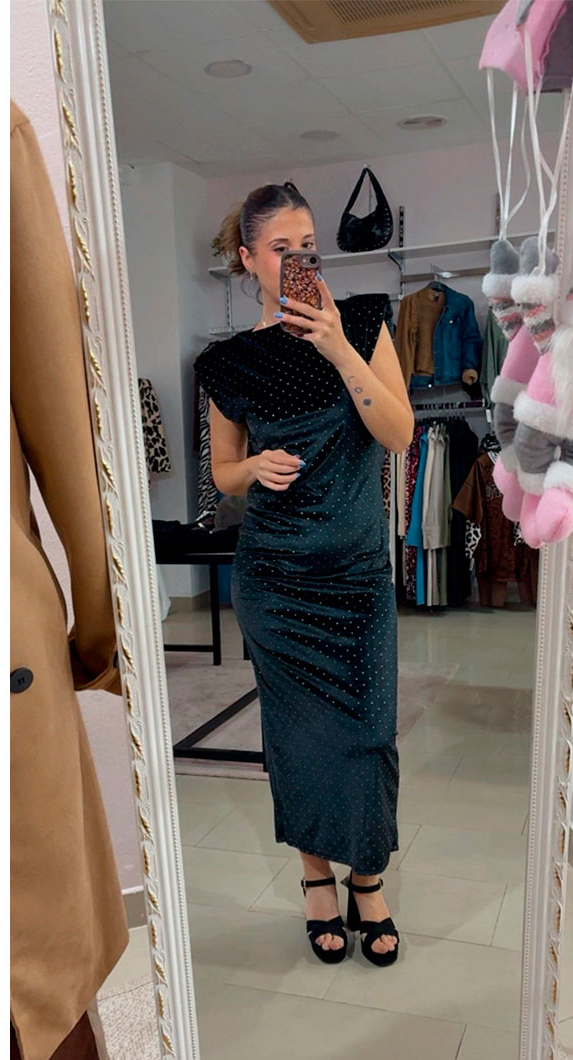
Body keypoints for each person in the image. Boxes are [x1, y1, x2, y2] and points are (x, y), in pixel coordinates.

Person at [194, 181, 414, 965]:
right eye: (280, 249)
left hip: (355, 576)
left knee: (369, 734)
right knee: (299, 739)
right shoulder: (227, 363)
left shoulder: (364, 322)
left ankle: (368, 879)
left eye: (308, 247)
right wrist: (254, 466)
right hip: (276, 579)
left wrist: (338, 347)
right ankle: (317, 877)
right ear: (248, 258)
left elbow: (398, 434)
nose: (298, 260)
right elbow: (222, 472)